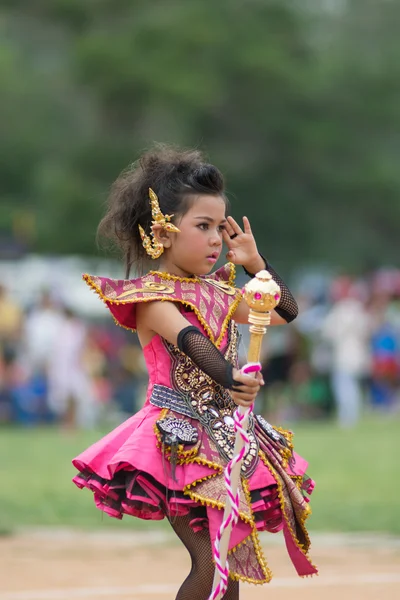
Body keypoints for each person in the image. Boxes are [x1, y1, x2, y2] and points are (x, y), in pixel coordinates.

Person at [72, 146, 317, 599]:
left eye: (219, 229)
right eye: (202, 227)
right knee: (208, 561)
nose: (215, 241)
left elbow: (285, 310)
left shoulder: (220, 290)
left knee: (230, 568)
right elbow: (191, 342)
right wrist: (233, 377)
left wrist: (255, 264)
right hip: (177, 442)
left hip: (227, 435)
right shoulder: (151, 297)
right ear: (162, 233)